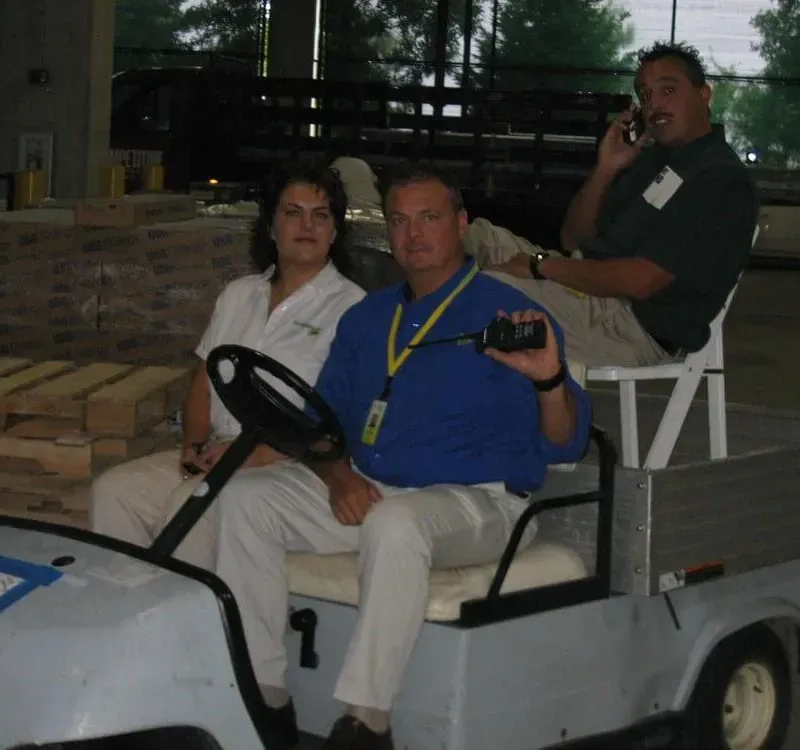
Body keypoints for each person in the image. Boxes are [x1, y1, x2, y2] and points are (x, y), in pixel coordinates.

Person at [211, 162, 594, 750]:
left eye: (430, 218)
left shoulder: (509, 315)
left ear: (461, 224)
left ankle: (366, 720)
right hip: (373, 483)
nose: (413, 234)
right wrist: (337, 474)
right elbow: (323, 423)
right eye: (399, 220)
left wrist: (548, 381)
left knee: (394, 523)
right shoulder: (368, 317)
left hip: (477, 503)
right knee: (244, 500)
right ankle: (266, 700)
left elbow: (565, 442)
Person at [88, 162, 367, 569]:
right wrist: (192, 446)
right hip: (218, 450)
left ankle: (189, 626)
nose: (307, 225)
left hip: (289, 462)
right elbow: (204, 381)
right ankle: (128, 613)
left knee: (192, 505)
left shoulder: (353, 308)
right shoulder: (239, 295)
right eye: (293, 212)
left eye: (320, 215)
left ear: (335, 231)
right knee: (114, 491)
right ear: (271, 227)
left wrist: (256, 455)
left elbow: (337, 419)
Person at [470, 41, 760, 368]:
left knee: (482, 290)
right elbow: (573, 240)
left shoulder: (718, 178)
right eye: (646, 95)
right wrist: (606, 168)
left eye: (668, 90)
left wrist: (537, 266)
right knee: (474, 237)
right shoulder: (652, 163)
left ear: (704, 94)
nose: (655, 105)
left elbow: (642, 280)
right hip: (589, 293)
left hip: (629, 327)